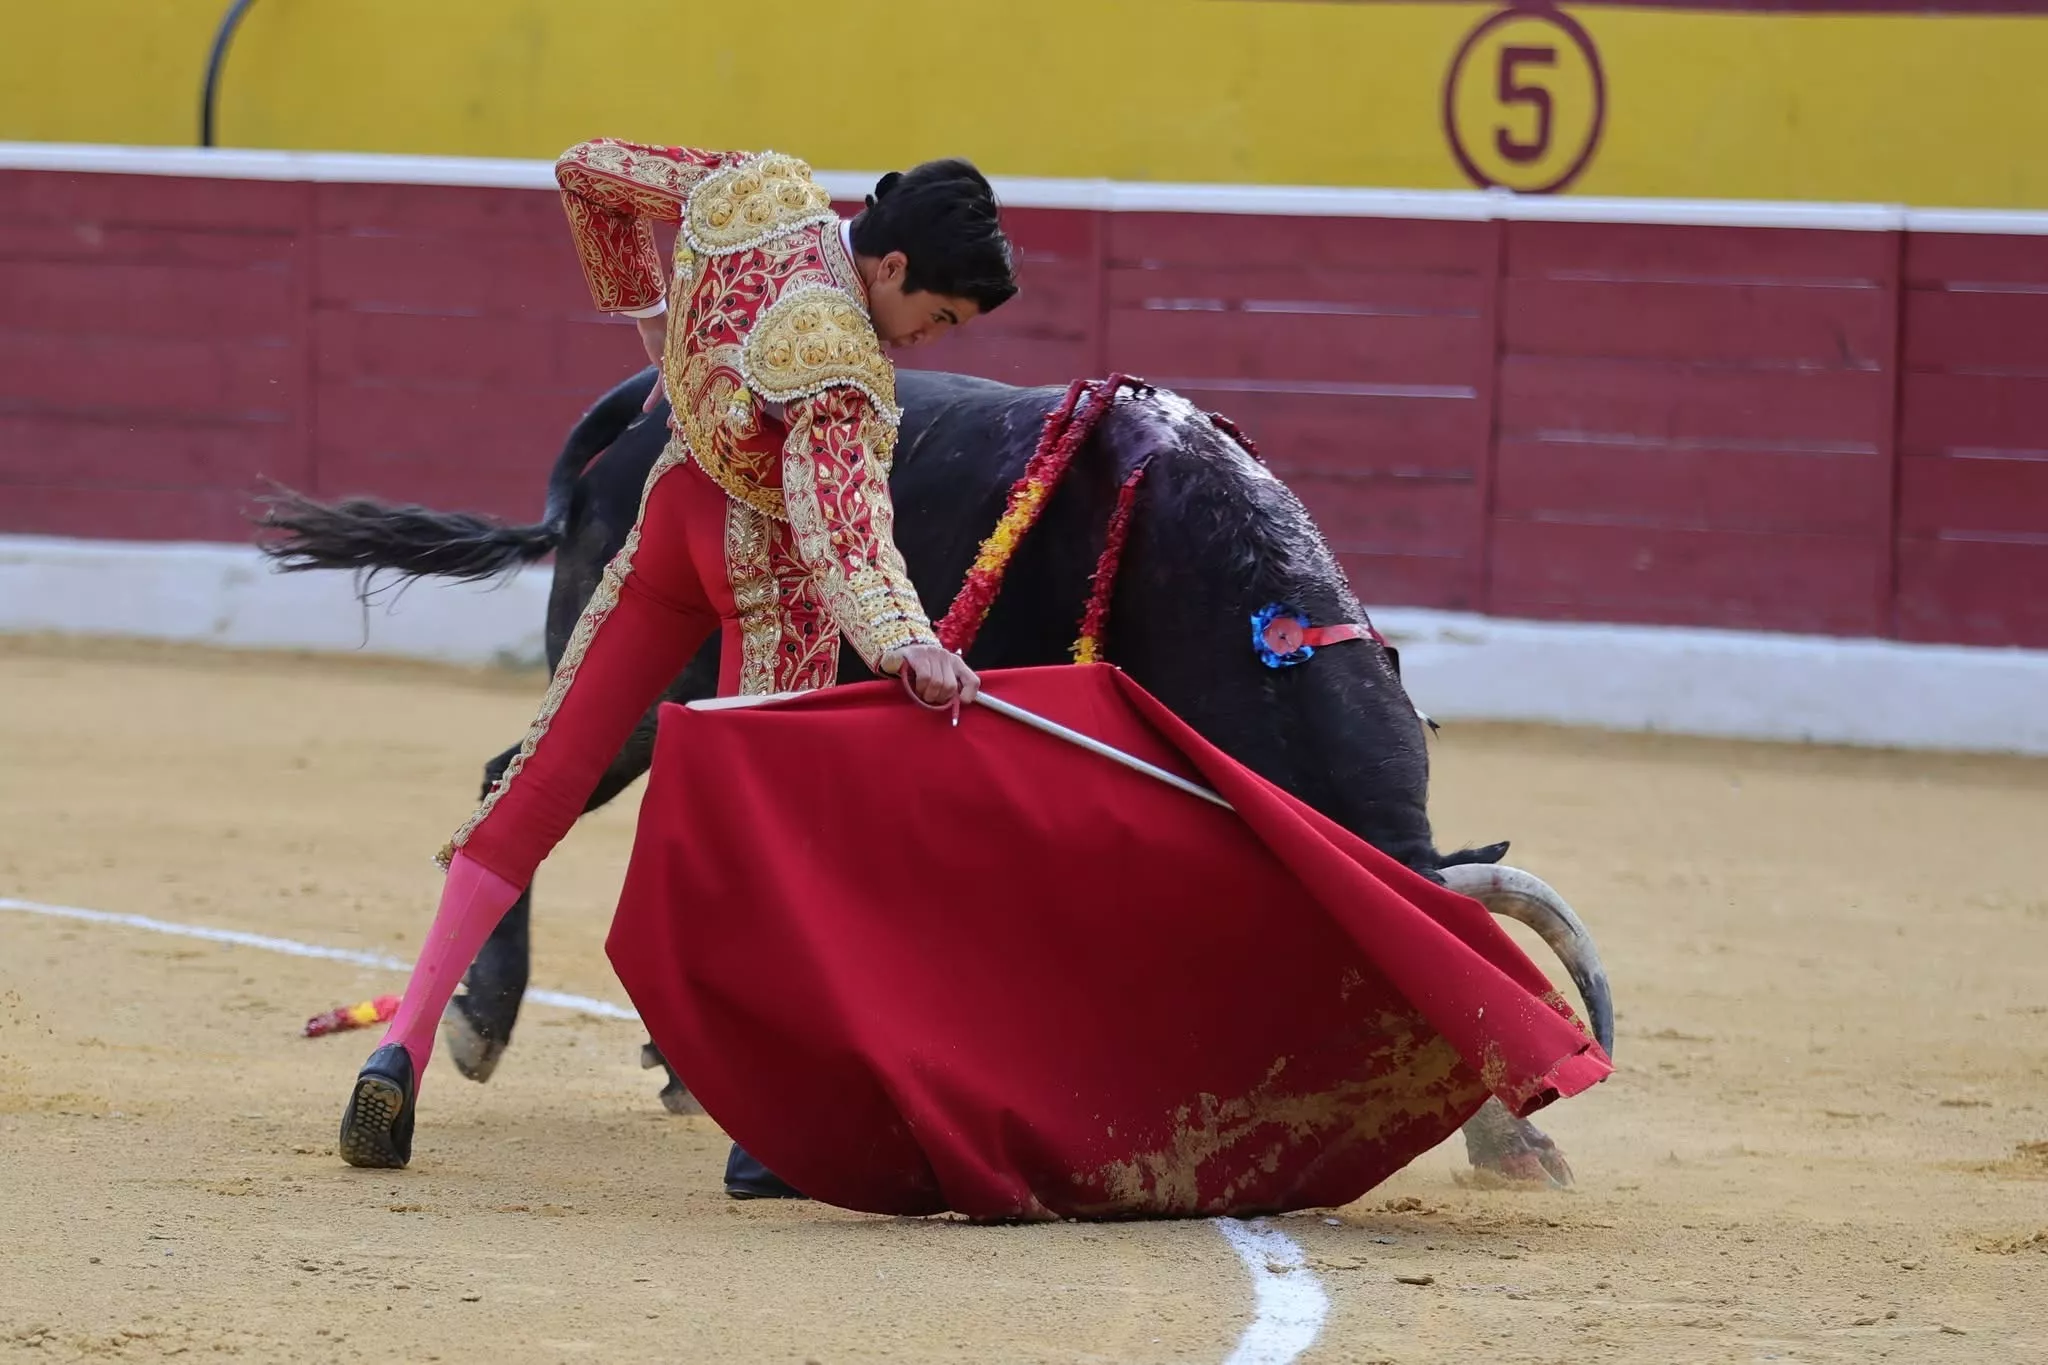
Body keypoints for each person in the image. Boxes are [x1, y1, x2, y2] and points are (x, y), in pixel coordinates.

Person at [336, 138, 1019, 1190]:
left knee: (545, 776)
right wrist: (908, 644)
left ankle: (403, 1046)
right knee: (774, 833)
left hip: (667, 519)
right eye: (939, 316)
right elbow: (841, 537)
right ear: (889, 270)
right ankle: (762, 1132)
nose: (929, 340)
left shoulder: (760, 192)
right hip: (770, 578)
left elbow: (587, 172)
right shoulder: (838, 359)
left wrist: (654, 330)